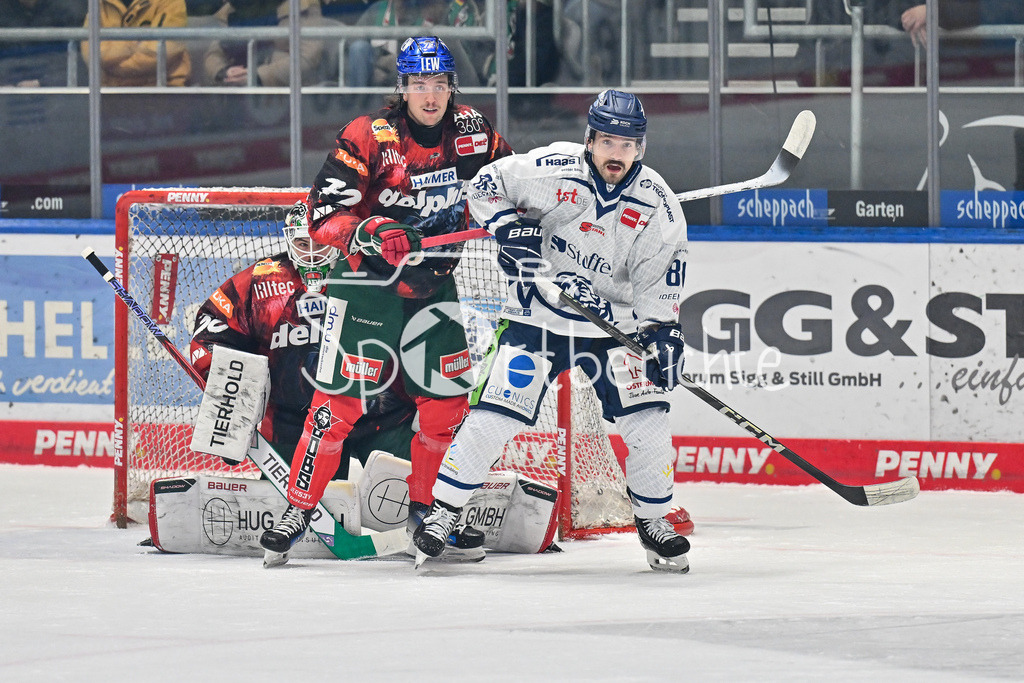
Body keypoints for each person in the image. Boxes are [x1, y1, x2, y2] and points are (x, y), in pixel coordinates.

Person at [412, 89, 692, 573]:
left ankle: (652, 520)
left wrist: (662, 333)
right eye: (607, 142)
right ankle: (442, 513)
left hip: (612, 329)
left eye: (627, 145)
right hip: (537, 319)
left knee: (648, 425)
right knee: (493, 417)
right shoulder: (551, 169)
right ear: (590, 140)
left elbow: (658, 285)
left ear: (640, 149)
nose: (616, 154)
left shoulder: (659, 209)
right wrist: (504, 227)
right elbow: (482, 186)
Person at [258, 36, 514, 560]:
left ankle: (430, 512)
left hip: (435, 287)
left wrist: (519, 217)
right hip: (365, 290)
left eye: (439, 84)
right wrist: (372, 227)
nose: (430, 95)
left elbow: (510, 184)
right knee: (336, 409)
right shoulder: (370, 136)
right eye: (419, 84)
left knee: (445, 408)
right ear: (402, 88)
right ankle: (297, 508)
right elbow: (321, 216)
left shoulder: (471, 131)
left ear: (451, 88)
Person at [189, 202, 418, 471]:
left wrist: (428, 403)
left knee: (412, 497)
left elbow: (422, 338)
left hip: (384, 418)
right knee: (288, 507)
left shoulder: (376, 276)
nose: (310, 255)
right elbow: (213, 327)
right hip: (293, 423)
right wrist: (233, 406)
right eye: (301, 243)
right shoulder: (264, 281)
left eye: (319, 244)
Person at [203, 0, 324, 86]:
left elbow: (308, 57)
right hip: (241, 101)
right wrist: (225, 72)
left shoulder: (303, 4)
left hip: (293, 98)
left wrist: (258, 76)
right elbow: (214, 53)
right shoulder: (233, 8)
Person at [80, 0, 191, 86]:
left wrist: (112, 64)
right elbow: (92, 54)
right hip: (111, 94)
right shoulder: (98, 3)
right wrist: (134, 44)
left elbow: (161, 53)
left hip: (163, 93)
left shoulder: (170, 2)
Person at [0, 0, 87, 87]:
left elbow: (82, 63)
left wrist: (42, 82)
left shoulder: (70, 10)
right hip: (7, 88)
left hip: (56, 91)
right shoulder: (4, 10)